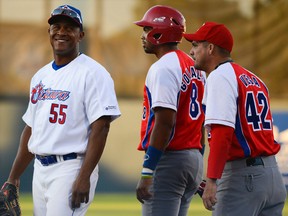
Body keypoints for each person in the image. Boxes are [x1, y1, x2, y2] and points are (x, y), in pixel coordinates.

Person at [4, 4, 121, 215]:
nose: (61, 32)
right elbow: (31, 128)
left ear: (80, 35)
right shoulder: (40, 76)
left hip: (71, 167)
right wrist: (13, 177)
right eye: (56, 26)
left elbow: (101, 128)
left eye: (70, 28)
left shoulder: (93, 73)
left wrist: (84, 177)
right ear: (49, 32)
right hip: (40, 170)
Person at [184, 22, 287, 215]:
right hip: (272, 176)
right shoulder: (255, 78)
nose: (191, 51)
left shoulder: (220, 77)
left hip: (244, 178)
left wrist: (213, 179)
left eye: (196, 44)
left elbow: (223, 133)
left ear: (211, 48)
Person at [134, 5, 206, 216]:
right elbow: (201, 119)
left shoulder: (164, 67)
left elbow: (165, 121)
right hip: (193, 156)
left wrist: (148, 171)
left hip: (170, 158)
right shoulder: (194, 66)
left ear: (160, 32)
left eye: (147, 29)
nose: (143, 35)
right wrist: (197, 160)